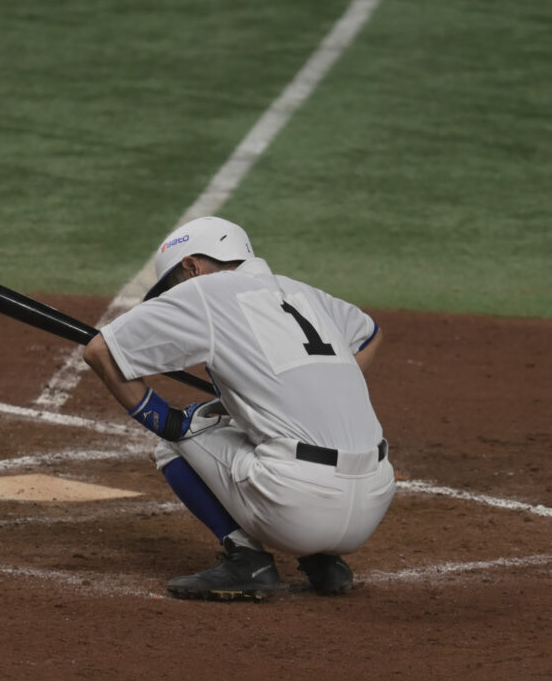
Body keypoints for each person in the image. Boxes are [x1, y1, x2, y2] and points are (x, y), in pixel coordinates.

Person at [83, 216, 395, 601]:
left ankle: (249, 561)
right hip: (372, 503)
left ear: (192, 266)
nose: (170, 298)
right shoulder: (304, 294)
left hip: (296, 509)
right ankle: (322, 561)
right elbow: (369, 332)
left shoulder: (204, 291)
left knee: (179, 439)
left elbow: (100, 351)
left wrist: (166, 422)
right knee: (258, 429)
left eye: (169, 288)